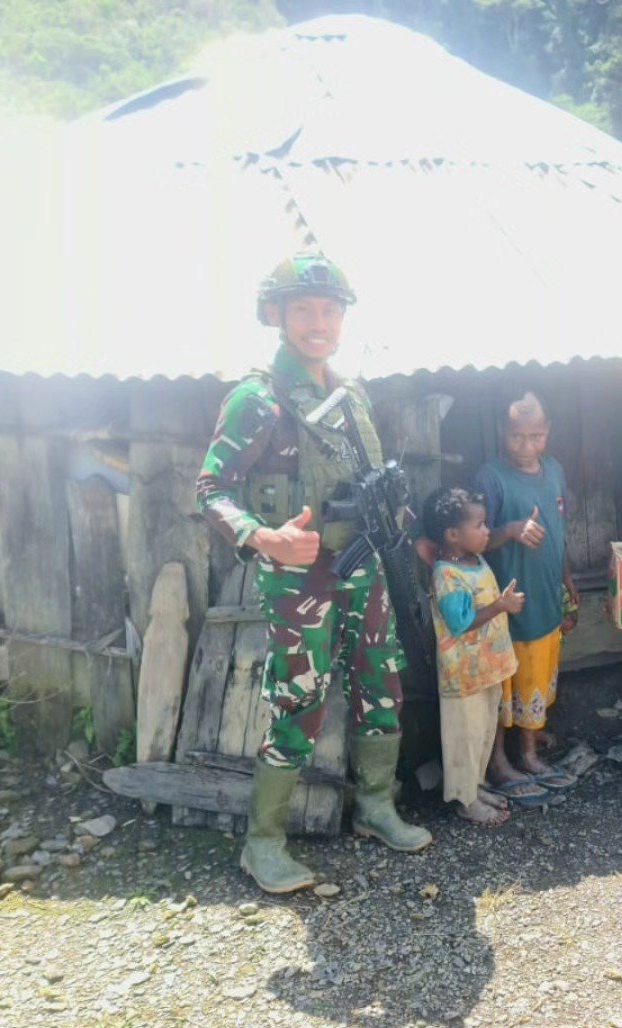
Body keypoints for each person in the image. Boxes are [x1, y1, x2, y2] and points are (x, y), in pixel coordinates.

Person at [197, 252, 432, 894]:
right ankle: (264, 843)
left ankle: (377, 807)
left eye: (329, 309)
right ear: (275, 314)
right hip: (301, 576)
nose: (317, 321)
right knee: (298, 700)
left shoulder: (350, 392)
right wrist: (260, 536)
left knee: (381, 683)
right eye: (303, 308)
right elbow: (212, 488)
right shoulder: (257, 398)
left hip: (365, 564)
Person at [475, 392, 579, 803]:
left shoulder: (554, 471)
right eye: (518, 436)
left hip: (545, 594)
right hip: (505, 601)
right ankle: (499, 761)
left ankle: (530, 753)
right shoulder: (491, 477)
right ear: (504, 432)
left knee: (536, 675)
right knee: (502, 680)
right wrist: (511, 529)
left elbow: (559, 530)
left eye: (536, 435)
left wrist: (567, 578)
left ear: (547, 432)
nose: (527, 445)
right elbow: (475, 540)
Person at [423, 487, 522, 826]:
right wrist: (500, 606)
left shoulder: (475, 561)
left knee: (483, 733)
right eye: (479, 525)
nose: (487, 531)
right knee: (464, 739)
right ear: (452, 535)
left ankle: (476, 787)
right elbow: (461, 623)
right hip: (463, 674)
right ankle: (464, 800)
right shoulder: (446, 574)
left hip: (486, 668)